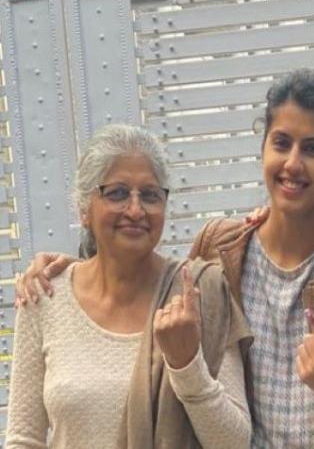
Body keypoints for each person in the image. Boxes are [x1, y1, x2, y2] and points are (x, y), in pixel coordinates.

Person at [17, 70, 314, 449]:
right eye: (281, 143)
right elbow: (139, 275)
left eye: (312, 149)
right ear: (263, 148)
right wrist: (71, 269)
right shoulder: (219, 250)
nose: (293, 163)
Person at [6, 124, 252, 448]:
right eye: (117, 193)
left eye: (150, 195)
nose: (136, 210)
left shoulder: (199, 295)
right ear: (84, 210)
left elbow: (235, 442)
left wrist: (187, 365)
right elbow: (23, 439)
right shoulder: (45, 296)